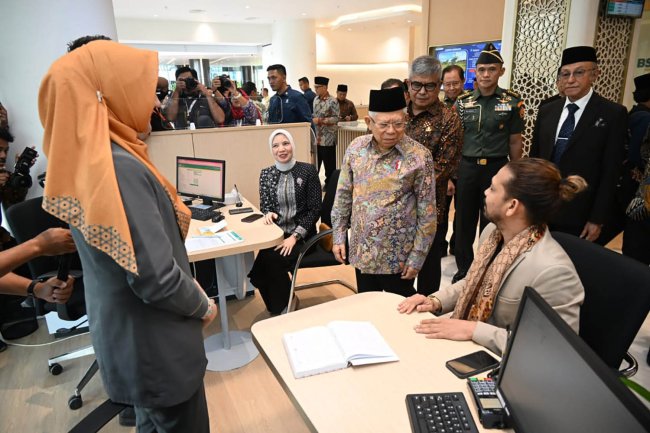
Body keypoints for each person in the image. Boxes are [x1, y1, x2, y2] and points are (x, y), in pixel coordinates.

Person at [38, 40, 216, 431]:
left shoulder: (94, 159)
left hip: (131, 344)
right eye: (145, 92)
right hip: (157, 345)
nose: (155, 104)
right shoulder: (119, 170)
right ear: (110, 96)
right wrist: (203, 305)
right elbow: (155, 277)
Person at [398, 158, 585, 355]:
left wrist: (473, 330)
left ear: (512, 206)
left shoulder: (553, 271)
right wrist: (436, 301)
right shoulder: (493, 233)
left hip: (498, 367)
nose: (485, 192)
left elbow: (553, 349)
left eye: (493, 189)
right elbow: (475, 282)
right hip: (469, 350)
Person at [331, 86, 436, 297]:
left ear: (405, 119)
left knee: (400, 313)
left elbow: (428, 213)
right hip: (362, 250)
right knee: (367, 307)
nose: (391, 131)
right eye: (384, 124)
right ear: (369, 123)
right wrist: (339, 237)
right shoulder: (355, 149)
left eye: (398, 123)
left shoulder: (419, 156)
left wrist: (417, 257)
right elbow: (342, 196)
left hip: (398, 257)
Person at [530, 46, 627, 244]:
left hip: (582, 211)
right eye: (565, 74)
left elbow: (611, 171)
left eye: (579, 72)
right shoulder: (547, 111)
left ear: (594, 75)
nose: (571, 79)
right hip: (545, 208)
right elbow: (535, 160)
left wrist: (597, 218)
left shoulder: (612, 114)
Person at [453, 43, 524, 283]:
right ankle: (464, 270)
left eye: (491, 69)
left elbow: (515, 141)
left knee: (492, 220)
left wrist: (516, 175)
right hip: (467, 167)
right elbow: (454, 140)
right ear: (475, 72)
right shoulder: (462, 102)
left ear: (501, 71)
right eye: (481, 69)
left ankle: (487, 267)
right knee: (463, 220)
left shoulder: (512, 102)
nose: (486, 74)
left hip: (497, 168)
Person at [405, 56, 463, 295]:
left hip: (431, 207)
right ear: (408, 83)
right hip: (396, 210)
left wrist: (398, 185)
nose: (422, 91)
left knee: (428, 265)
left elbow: (441, 168)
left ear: (439, 85)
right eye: (416, 84)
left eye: (429, 85)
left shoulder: (450, 119)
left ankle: (428, 311)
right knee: (401, 268)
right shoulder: (398, 114)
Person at [247, 129, 321, 315]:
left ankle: (283, 305)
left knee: (269, 261)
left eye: (285, 143)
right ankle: (282, 303)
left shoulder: (308, 171)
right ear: (271, 149)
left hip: (303, 236)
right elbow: (265, 205)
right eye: (276, 145)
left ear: (292, 145)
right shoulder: (266, 174)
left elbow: (314, 209)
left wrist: (295, 237)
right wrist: (268, 214)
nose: (281, 149)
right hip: (277, 235)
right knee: (264, 261)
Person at [312, 76, 340, 187]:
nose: (316, 89)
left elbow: (336, 118)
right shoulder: (315, 99)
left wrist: (320, 120)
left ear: (325, 87)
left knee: (329, 166)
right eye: (315, 87)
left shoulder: (333, 101)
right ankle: (314, 185)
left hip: (328, 138)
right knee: (316, 164)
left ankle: (330, 185)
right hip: (317, 138)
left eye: (318, 87)